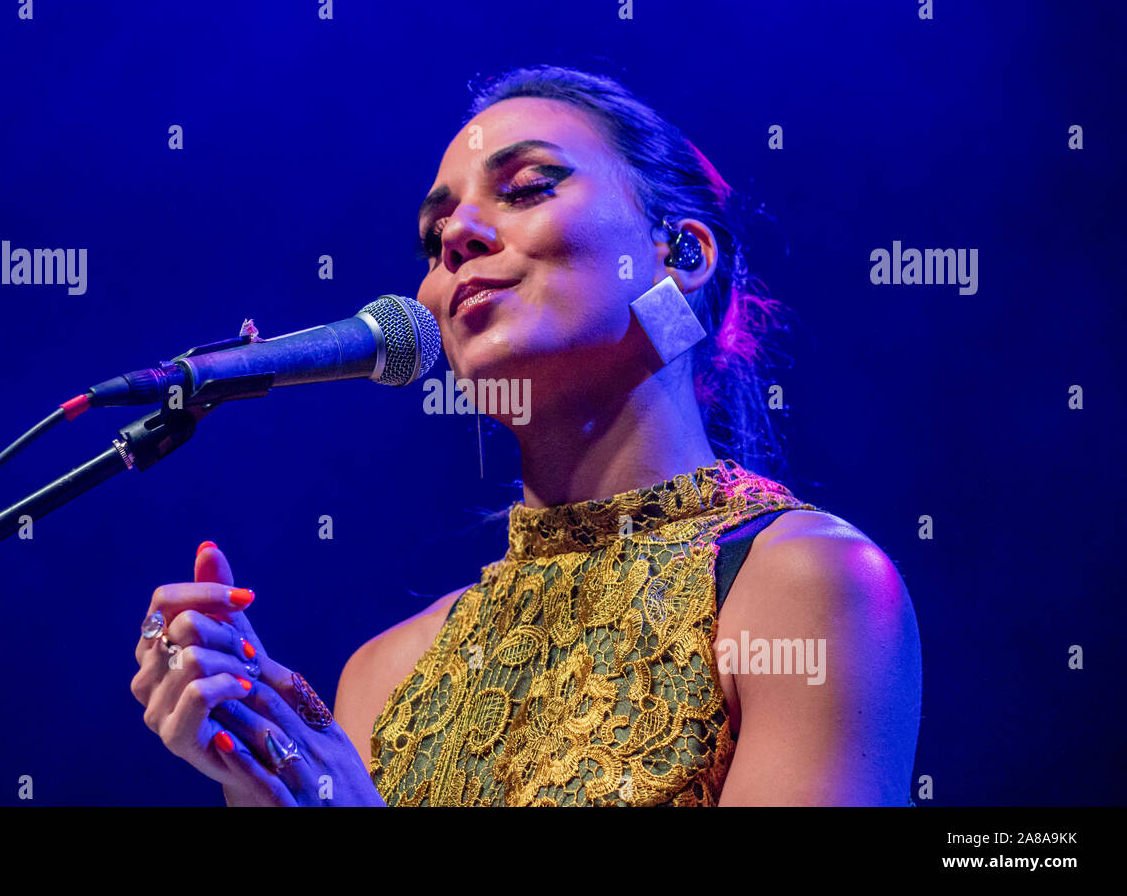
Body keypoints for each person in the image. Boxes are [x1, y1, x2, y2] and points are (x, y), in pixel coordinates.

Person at [129, 65, 922, 806]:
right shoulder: (379, 678)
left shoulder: (804, 586)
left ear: (679, 253)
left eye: (528, 187)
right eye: (435, 232)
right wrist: (255, 779)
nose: (458, 236)